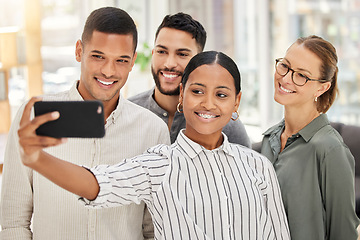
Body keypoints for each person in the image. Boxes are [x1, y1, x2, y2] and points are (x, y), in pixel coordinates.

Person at [18, 51, 290, 239]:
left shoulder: (258, 166)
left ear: (236, 102)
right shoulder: (159, 165)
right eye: (197, 91)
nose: (208, 103)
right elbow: (97, 184)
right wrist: (37, 160)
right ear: (182, 94)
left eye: (221, 94)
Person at [0, 7, 170, 239]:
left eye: (121, 60)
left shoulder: (153, 130)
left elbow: (153, 229)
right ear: (79, 50)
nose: (108, 71)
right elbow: (14, 223)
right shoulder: (32, 118)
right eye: (98, 56)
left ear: (132, 62)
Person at [260, 35, 360, 240]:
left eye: (302, 75)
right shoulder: (269, 139)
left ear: (323, 87)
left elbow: (344, 234)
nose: (286, 78)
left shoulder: (330, 150)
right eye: (285, 66)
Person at [128, 13, 251, 147]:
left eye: (182, 54)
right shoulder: (127, 114)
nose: (169, 63)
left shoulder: (225, 125)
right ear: (153, 54)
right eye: (162, 52)